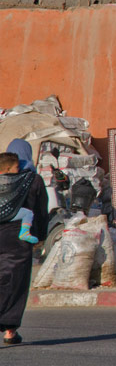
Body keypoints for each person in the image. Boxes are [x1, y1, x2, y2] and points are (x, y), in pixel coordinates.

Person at [0, 143, 48, 346]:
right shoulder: (33, 180)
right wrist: (40, 236)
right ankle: (10, 330)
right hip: (19, 239)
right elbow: (41, 211)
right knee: (16, 283)